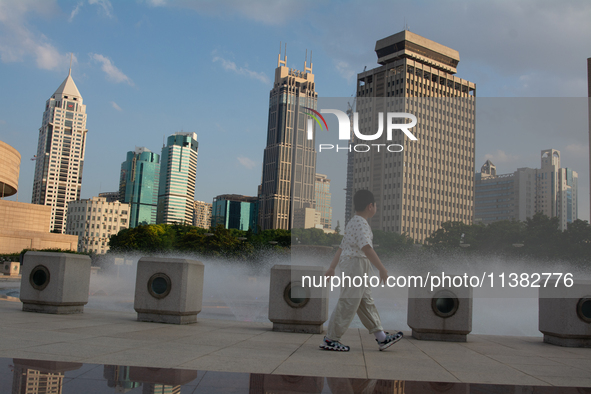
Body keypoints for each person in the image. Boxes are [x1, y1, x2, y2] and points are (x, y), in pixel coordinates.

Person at [320, 189, 403, 352]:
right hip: (355, 265)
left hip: (355, 264)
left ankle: (381, 338)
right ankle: (330, 339)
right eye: (375, 205)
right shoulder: (361, 223)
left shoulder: (353, 222)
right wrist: (382, 269)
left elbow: (341, 247)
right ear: (370, 206)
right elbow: (367, 248)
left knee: (365, 302)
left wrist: (332, 267)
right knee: (348, 302)